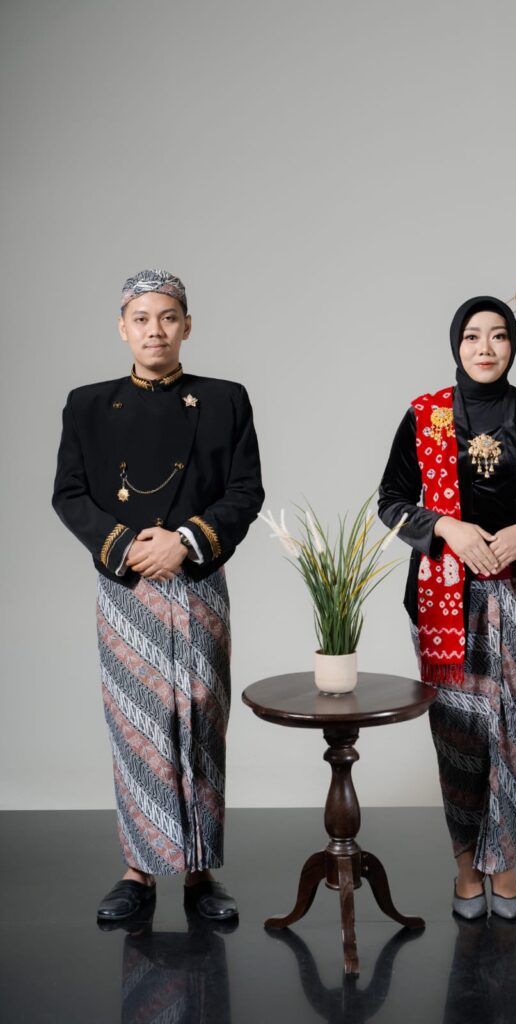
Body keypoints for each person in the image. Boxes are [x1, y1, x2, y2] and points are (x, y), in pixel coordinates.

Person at [52, 269, 264, 923]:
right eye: (141, 319)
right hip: (127, 586)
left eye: (168, 317)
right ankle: (136, 872)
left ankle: (200, 872)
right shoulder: (87, 405)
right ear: (123, 328)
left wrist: (187, 541)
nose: (155, 330)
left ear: (187, 326)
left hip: (197, 580)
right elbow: (69, 494)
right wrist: (126, 546)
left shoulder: (225, 400)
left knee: (202, 719)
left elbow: (245, 491)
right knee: (136, 725)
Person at [378, 292, 516, 920]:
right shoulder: (426, 416)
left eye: (498, 335)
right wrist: (446, 528)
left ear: (513, 345)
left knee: (513, 733)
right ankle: (467, 866)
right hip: (448, 601)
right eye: (473, 336)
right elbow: (390, 502)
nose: (485, 347)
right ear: (456, 344)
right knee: (459, 735)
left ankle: (507, 862)